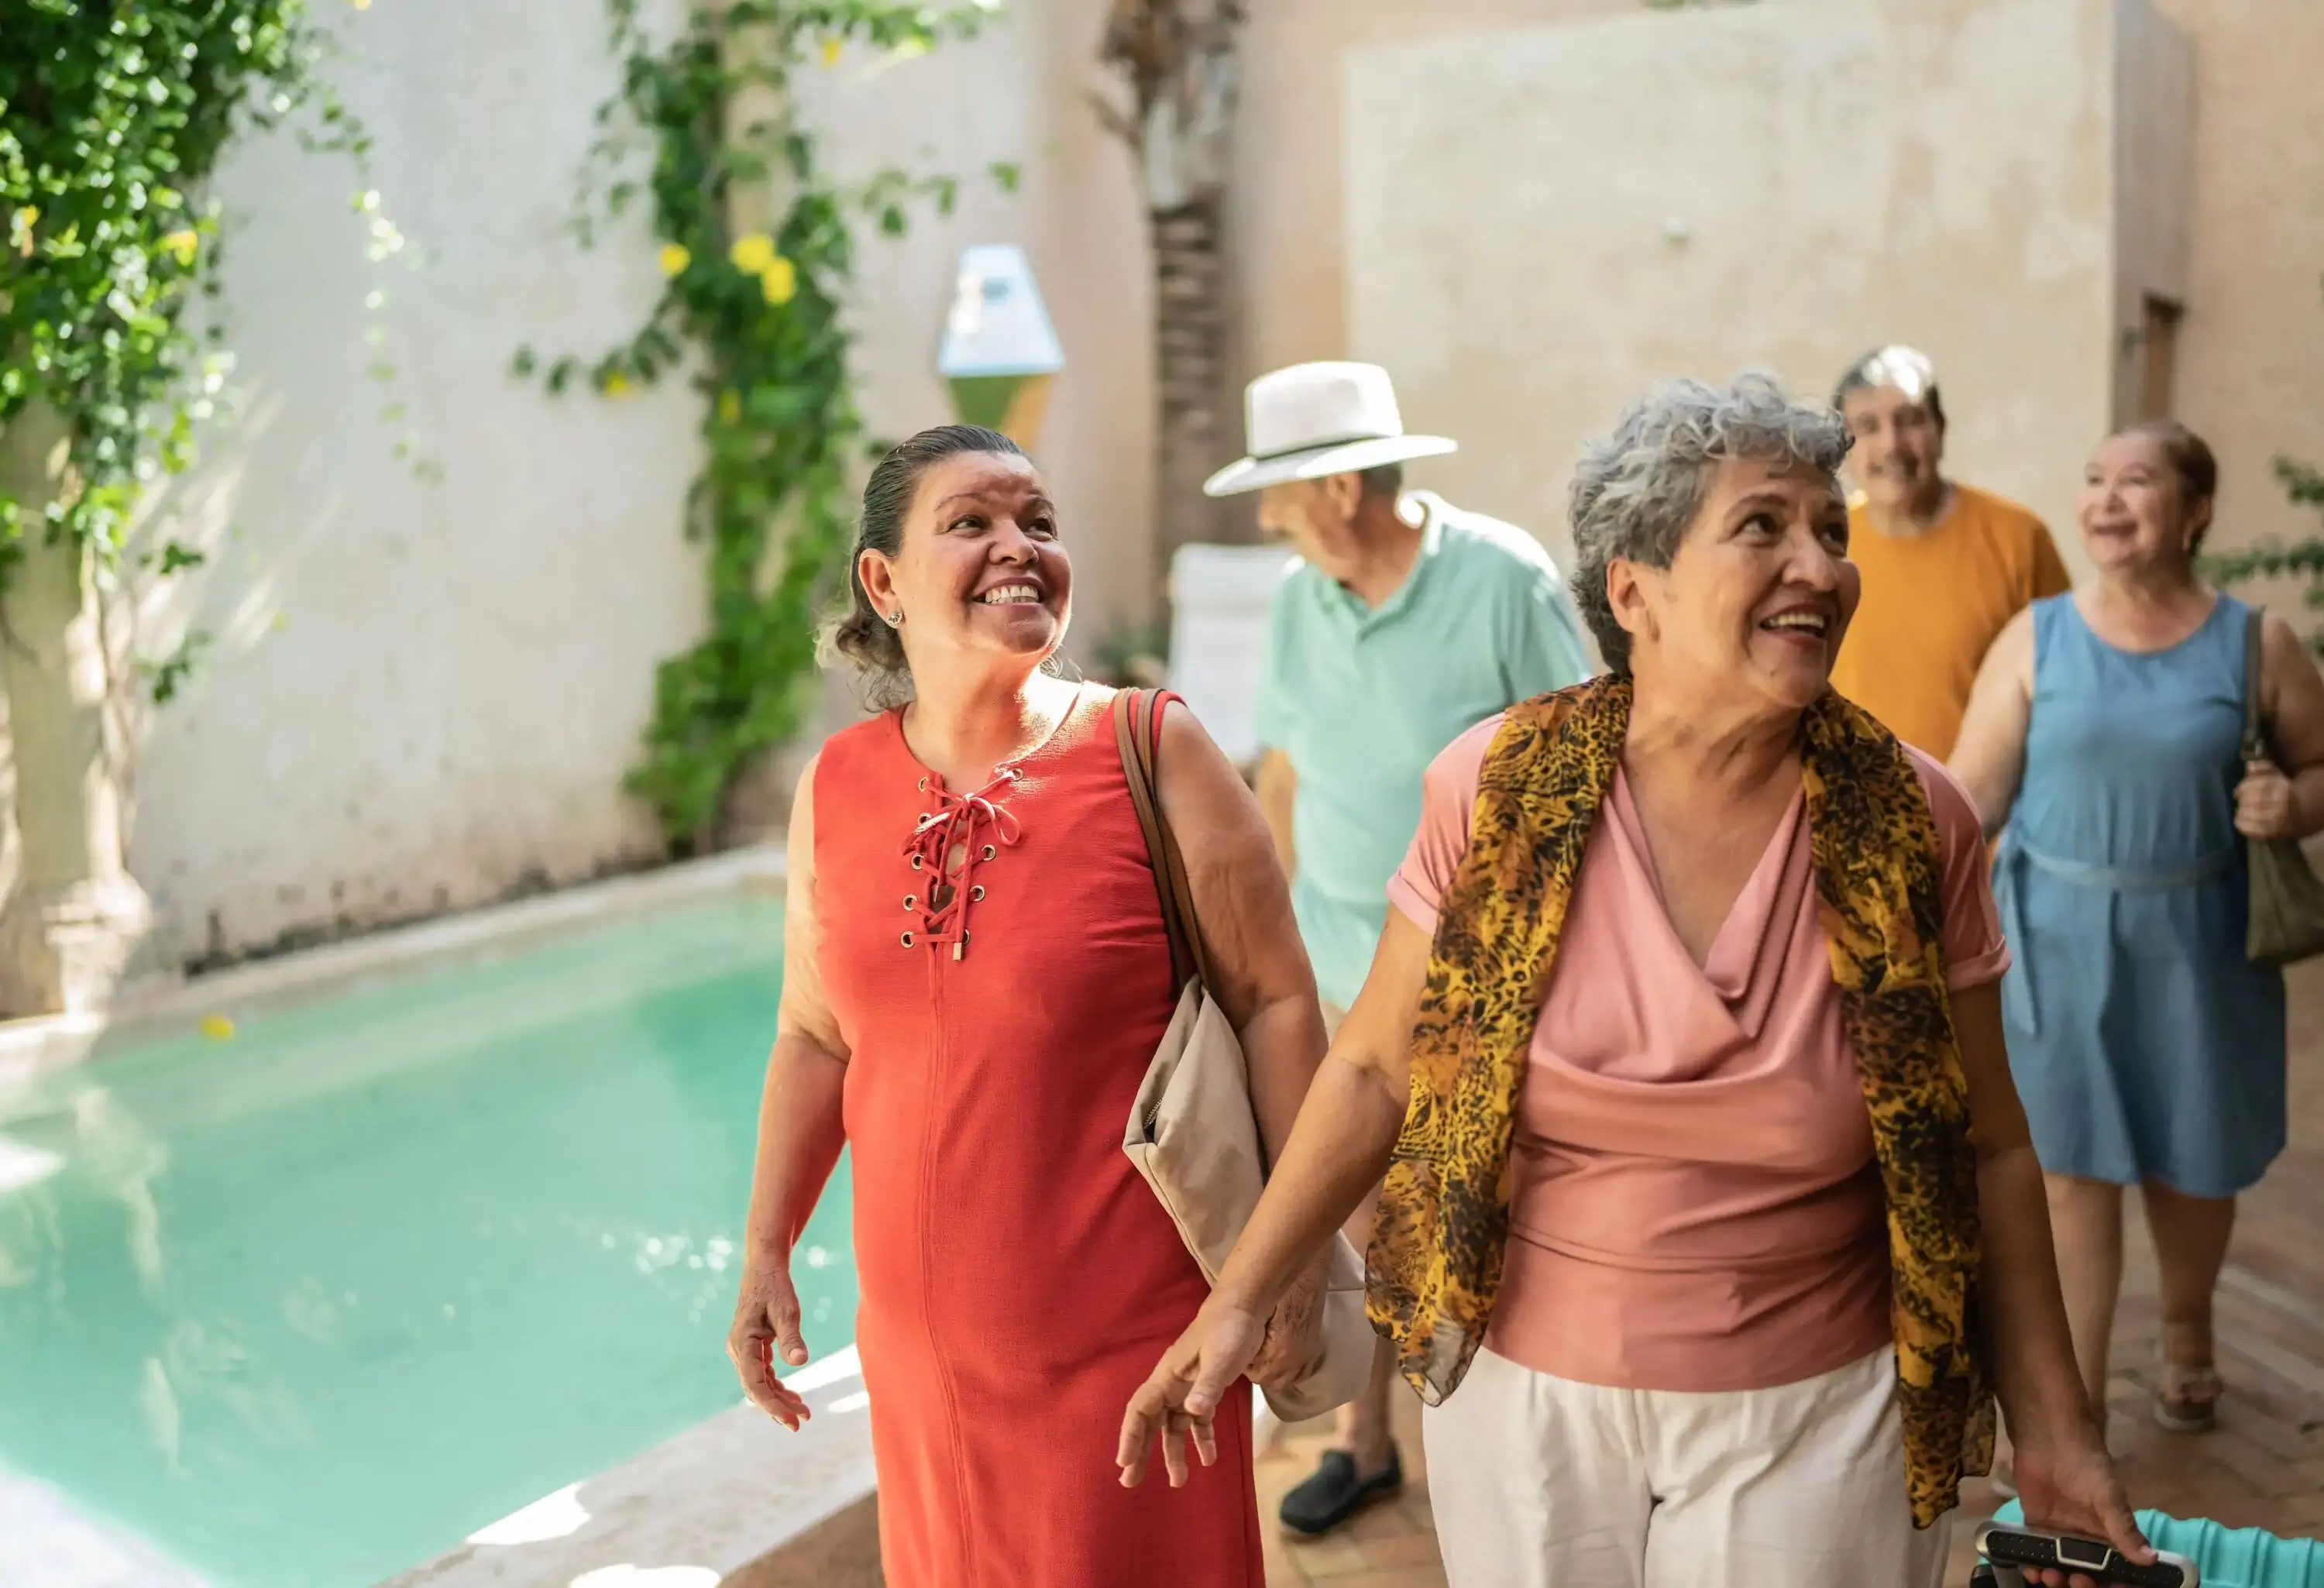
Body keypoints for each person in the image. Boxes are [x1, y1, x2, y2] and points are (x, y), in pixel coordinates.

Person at [1122, 374, 2145, 1588]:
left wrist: (2059, 1430)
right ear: (1633, 589)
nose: (1819, 565)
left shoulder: (1915, 820)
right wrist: (1241, 1295)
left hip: (1819, 1407)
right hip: (1522, 1398)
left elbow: (1987, 1148)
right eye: (1763, 526)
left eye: (1832, 530)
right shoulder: (1497, 788)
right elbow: (1374, 1065)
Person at [726, 425, 1332, 1588]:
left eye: (1039, 523)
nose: (1019, 547)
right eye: (973, 522)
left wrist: (1289, 1269)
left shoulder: (1153, 748)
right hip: (915, 1364)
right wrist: (765, 1247)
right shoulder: (837, 783)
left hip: (1134, 1366)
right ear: (883, 582)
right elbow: (813, 1033)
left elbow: (1274, 1003)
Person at [1205, 359, 1593, 1535]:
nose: (1268, 518)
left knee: (1486, 1217)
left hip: (1480, 982)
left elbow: (1584, 769)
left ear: (1333, 489)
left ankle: (1505, 1450)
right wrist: (1252, 941)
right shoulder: (1295, 598)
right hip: (1331, 968)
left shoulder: (1500, 577)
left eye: (1278, 495)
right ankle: (1373, 1443)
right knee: (1362, 1211)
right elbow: (1283, 771)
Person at [1950, 420, 2324, 1440]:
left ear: (2195, 511)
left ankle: (2190, 1325)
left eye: (2138, 481)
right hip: (2056, 950)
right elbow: (1970, 798)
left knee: (2193, 1163)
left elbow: (2318, 767)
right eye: (2094, 480)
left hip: (2202, 943)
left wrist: (2293, 807)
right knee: (2070, 1175)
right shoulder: (2037, 636)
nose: (2107, 500)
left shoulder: (2257, 642)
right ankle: (2074, 1409)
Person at [1827, 345, 2073, 757]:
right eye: (1868, 426)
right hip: (1845, 811)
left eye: (1910, 421)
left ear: (1941, 430)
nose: (1892, 445)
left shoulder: (2017, 538)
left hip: (1979, 814)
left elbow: (2065, 691)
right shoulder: (1826, 546)